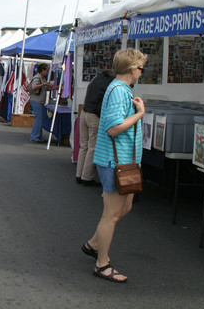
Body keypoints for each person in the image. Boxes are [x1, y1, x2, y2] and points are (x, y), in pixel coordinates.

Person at [82, 48, 146, 284]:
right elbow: (113, 128)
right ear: (132, 69)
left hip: (121, 161)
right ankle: (102, 263)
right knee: (111, 214)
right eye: (141, 68)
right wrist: (140, 114)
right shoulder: (119, 91)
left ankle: (94, 245)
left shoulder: (120, 89)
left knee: (123, 208)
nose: (142, 72)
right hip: (115, 162)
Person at [76, 70, 115, 186]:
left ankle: (79, 174)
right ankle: (86, 177)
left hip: (84, 113)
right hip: (94, 116)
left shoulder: (94, 80)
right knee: (92, 147)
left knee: (83, 146)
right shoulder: (109, 84)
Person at [28, 63, 56, 143]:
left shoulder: (42, 78)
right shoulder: (37, 78)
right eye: (46, 70)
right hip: (36, 101)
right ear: (42, 70)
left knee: (39, 119)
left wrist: (53, 88)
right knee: (38, 119)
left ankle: (38, 136)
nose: (47, 72)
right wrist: (44, 84)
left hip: (39, 101)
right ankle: (35, 136)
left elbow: (44, 88)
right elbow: (34, 87)